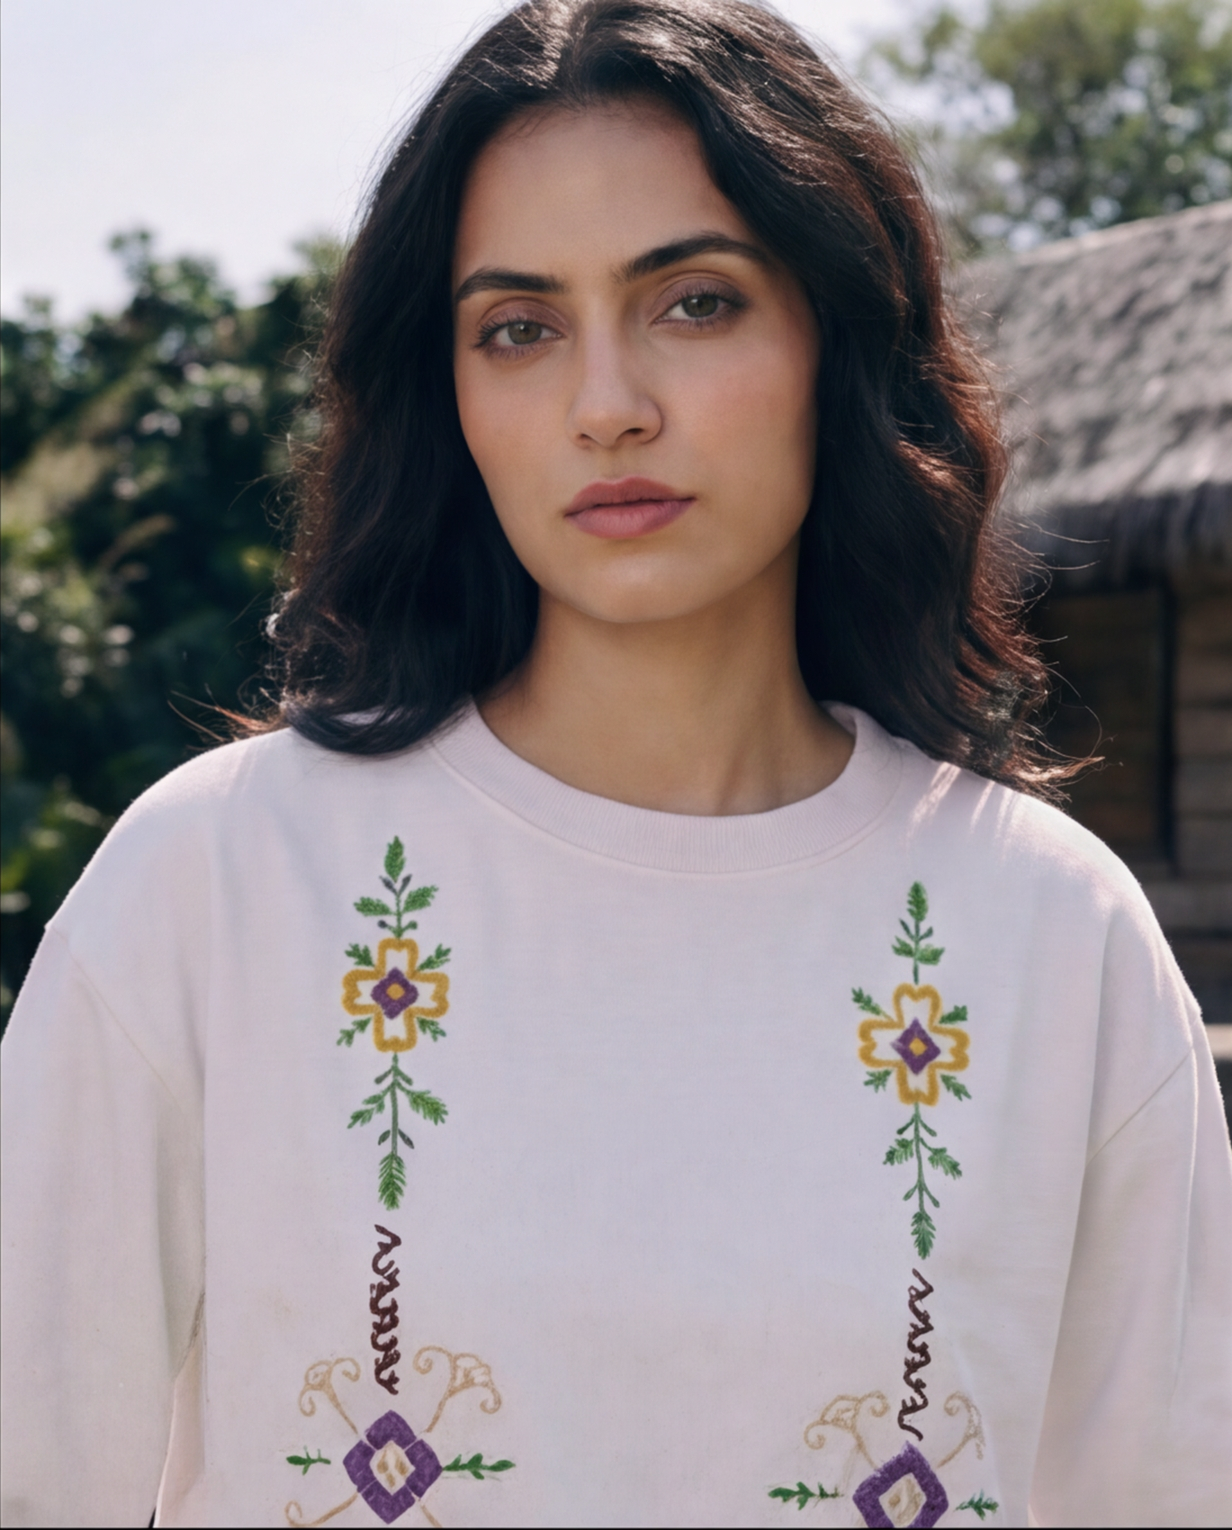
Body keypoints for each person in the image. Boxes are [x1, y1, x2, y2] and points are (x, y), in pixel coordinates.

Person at [2, 1, 1228, 1525]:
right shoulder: (216, 886)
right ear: (447, 397)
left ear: (836, 336)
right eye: (518, 328)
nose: (607, 406)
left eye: (694, 302)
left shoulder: (1059, 943)